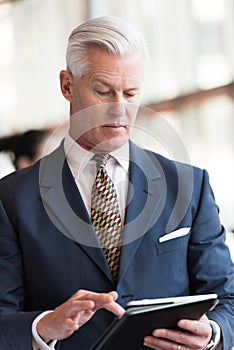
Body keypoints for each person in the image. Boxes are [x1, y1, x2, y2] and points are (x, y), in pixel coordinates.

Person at [0, 16, 233, 350]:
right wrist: (43, 327)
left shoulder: (189, 185)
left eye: (131, 92)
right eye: (103, 91)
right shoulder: (11, 199)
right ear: (67, 85)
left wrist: (214, 333)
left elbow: (229, 299)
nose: (119, 109)